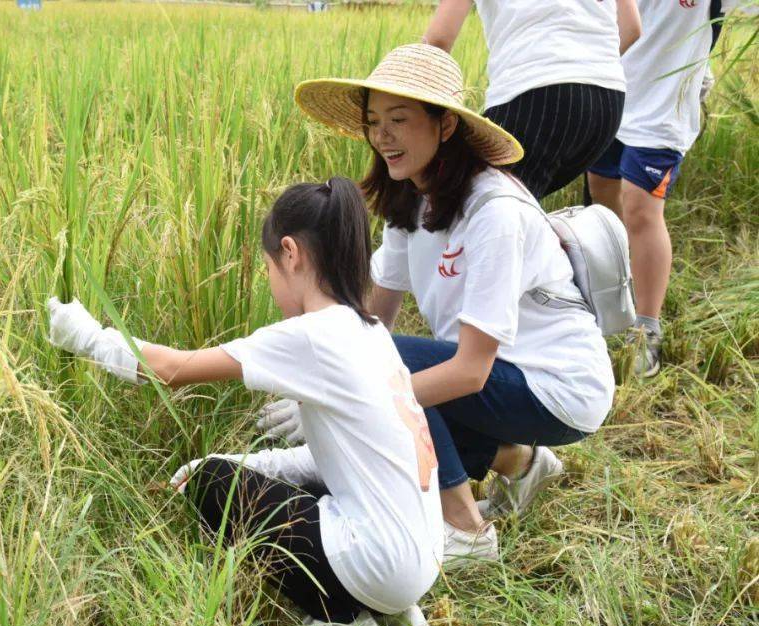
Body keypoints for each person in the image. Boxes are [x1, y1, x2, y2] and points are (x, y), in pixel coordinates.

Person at [45, 177, 443, 626]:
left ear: (291, 254)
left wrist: (86, 337)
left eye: (270, 267)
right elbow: (341, 460)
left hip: (385, 562)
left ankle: (339, 620)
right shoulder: (370, 332)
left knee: (213, 483)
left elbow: (173, 370)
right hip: (422, 555)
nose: (271, 279)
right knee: (236, 473)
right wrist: (249, 463)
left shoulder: (314, 334)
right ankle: (392, 611)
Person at [263, 44, 616, 565]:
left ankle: (465, 529)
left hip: (558, 387)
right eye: (374, 121)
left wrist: (361, 395)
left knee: (394, 370)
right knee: (381, 359)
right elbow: (370, 324)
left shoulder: (494, 211)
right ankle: (517, 461)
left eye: (400, 119)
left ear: (446, 126)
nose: (382, 136)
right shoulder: (413, 199)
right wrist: (327, 377)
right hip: (507, 376)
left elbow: (470, 372)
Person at [586, 0, 720, 377]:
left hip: (664, 110)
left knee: (640, 207)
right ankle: (616, 295)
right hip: (610, 95)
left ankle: (646, 327)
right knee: (602, 195)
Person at [422, 0, 641, 200]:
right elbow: (631, 27)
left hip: (537, 93)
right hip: (607, 102)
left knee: (462, 204)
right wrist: (585, 67)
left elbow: (438, 39)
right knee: (517, 211)